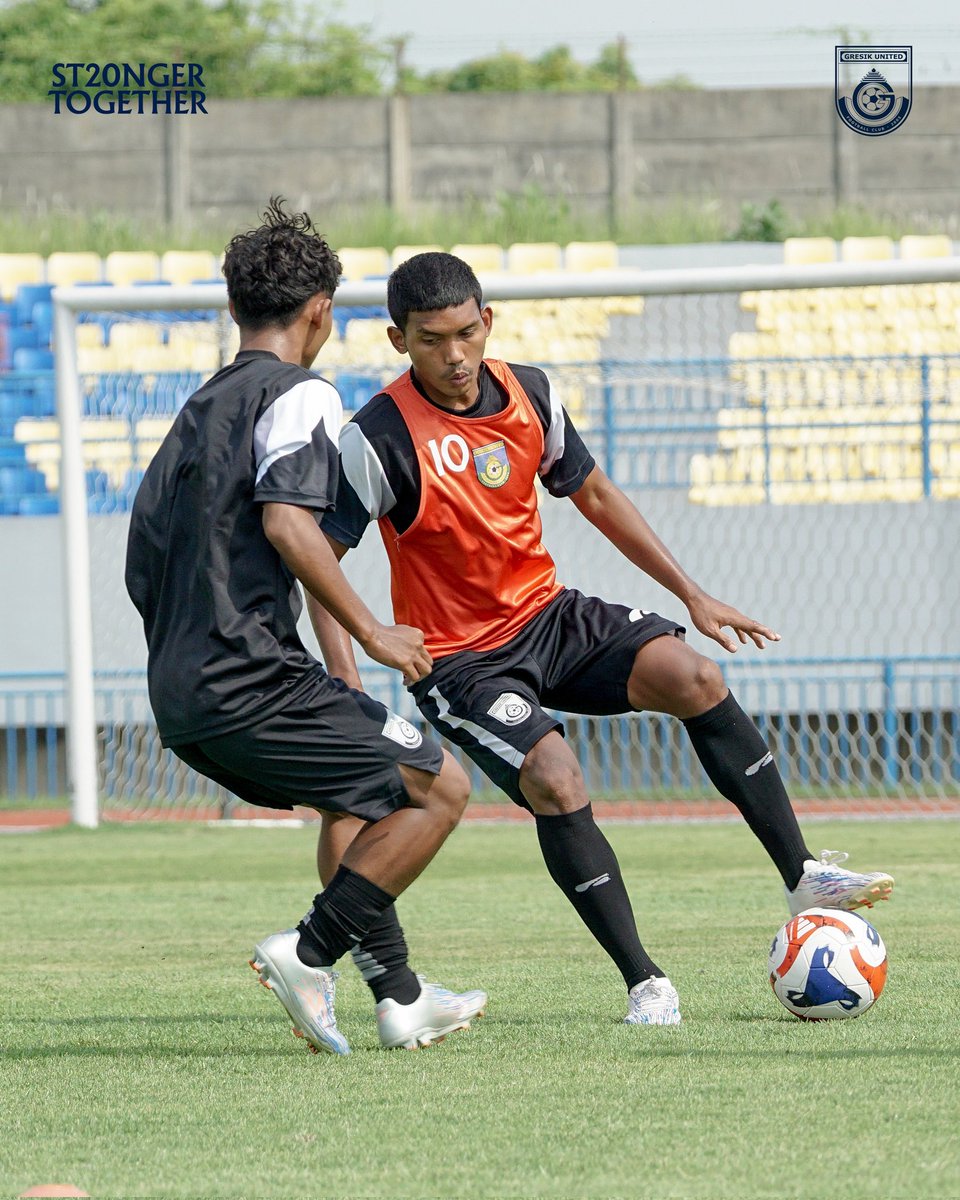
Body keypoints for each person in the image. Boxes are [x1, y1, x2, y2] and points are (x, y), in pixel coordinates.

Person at [310, 251, 895, 1027]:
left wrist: (692, 595)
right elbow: (318, 562)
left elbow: (593, 492)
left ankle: (802, 874)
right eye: (430, 340)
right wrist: (352, 672)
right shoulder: (378, 435)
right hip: (460, 659)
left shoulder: (533, 394)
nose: (453, 356)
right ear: (397, 340)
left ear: (488, 322)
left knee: (696, 677)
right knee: (556, 777)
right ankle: (646, 983)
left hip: (550, 615)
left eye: (464, 333)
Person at [124, 208, 487, 1056]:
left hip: (183, 690)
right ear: (321, 310)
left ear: (234, 308)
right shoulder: (304, 394)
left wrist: (331, 673)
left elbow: (149, 557)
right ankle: (308, 952)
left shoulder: (197, 411)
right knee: (441, 789)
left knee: (356, 791)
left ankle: (399, 998)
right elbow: (292, 529)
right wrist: (374, 633)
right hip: (248, 678)